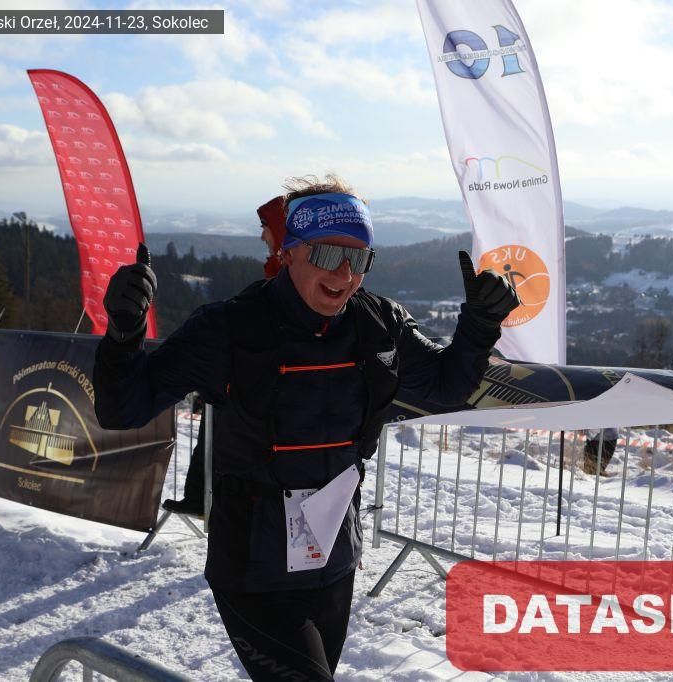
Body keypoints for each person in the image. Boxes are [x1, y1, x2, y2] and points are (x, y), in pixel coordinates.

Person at [93, 174, 518, 681]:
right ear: (289, 251)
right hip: (253, 569)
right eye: (327, 253)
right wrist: (124, 333)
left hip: (333, 561)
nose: (344, 272)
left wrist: (480, 323)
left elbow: (446, 385)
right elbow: (122, 409)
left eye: (359, 258)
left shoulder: (379, 324)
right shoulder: (227, 329)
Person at [163, 195, 287, 516]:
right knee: (215, 423)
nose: (261, 236)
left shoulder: (289, 280)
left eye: (265, 227)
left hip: (265, 397)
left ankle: (207, 497)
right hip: (249, 387)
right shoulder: (277, 276)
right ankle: (200, 496)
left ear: (281, 230)